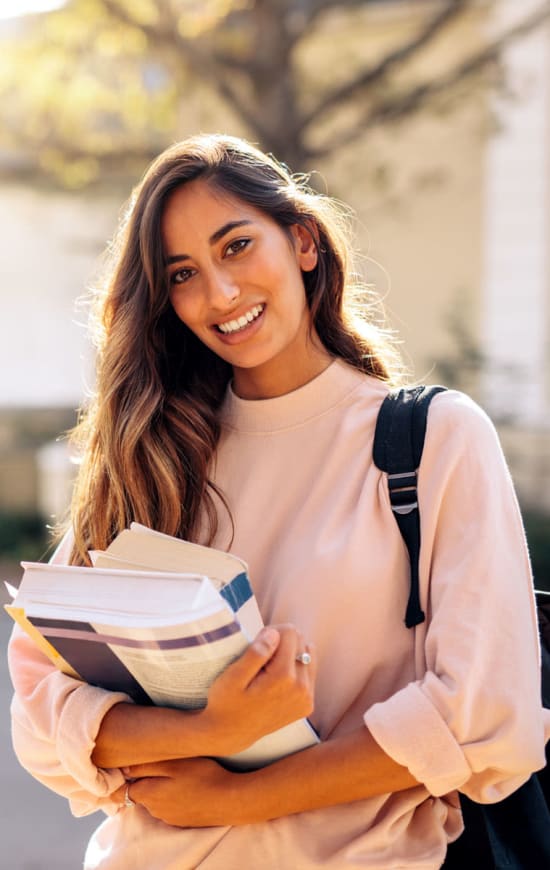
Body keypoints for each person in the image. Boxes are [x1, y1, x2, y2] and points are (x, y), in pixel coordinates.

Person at [8, 133, 549, 870]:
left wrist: (235, 798)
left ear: (302, 241)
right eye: (183, 274)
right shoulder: (153, 456)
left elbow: (484, 717)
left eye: (236, 247)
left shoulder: (432, 440)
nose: (220, 295)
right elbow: (42, 713)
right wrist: (213, 728)